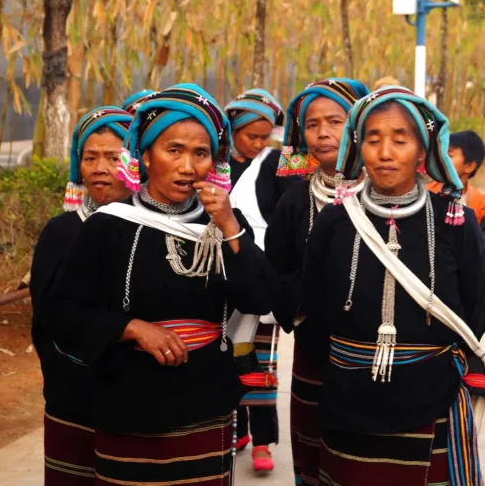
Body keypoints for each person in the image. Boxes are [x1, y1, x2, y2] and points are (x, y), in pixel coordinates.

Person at [47, 84, 278, 485]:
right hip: (127, 403)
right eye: (174, 150)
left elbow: (259, 296)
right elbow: (63, 313)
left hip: (206, 403)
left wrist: (228, 227)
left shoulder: (224, 224)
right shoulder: (109, 225)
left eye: (200, 153)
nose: (188, 167)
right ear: (145, 156)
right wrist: (131, 328)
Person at [301, 86, 485, 486]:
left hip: (430, 395)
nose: (385, 153)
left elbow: (479, 302)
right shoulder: (336, 220)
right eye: (373, 140)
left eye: (399, 140)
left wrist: (435, 362)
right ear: (358, 148)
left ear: (422, 152)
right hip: (347, 394)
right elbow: (315, 301)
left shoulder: (454, 220)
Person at [265, 78, 369, 486]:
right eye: (312, 124)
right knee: (316, 454)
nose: (323, 133)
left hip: (378, 356)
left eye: (336, 122)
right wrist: (305, 308)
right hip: (316, 353)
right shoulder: (293, 200)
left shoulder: (391, 195)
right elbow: (276, 271)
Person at [30, 106, 133, 485]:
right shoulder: (62, 231)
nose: (99, 168)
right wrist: (63, 373)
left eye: (113, 157)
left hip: (137, 393)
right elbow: (45, 317)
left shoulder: (151, 229)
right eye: (90, 157)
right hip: (73, 391)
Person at [223, 88, 295, 473]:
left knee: (261, 359)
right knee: (227, 356)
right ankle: (235, 430)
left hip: (262, 275)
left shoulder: (276, 163)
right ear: (232, 128)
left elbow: (292, 208)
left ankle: (263, 441)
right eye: (251, 135)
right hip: (221, 277)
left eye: (265, 136)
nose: (259, 143)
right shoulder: (211, 162)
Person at [427, 130, 485, 334]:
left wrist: (458, 269)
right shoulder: (424, 194)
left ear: (469, 166)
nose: (442, 157)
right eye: (441, 152)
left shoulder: (483, 205)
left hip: (468, 287)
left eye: (450, 154)